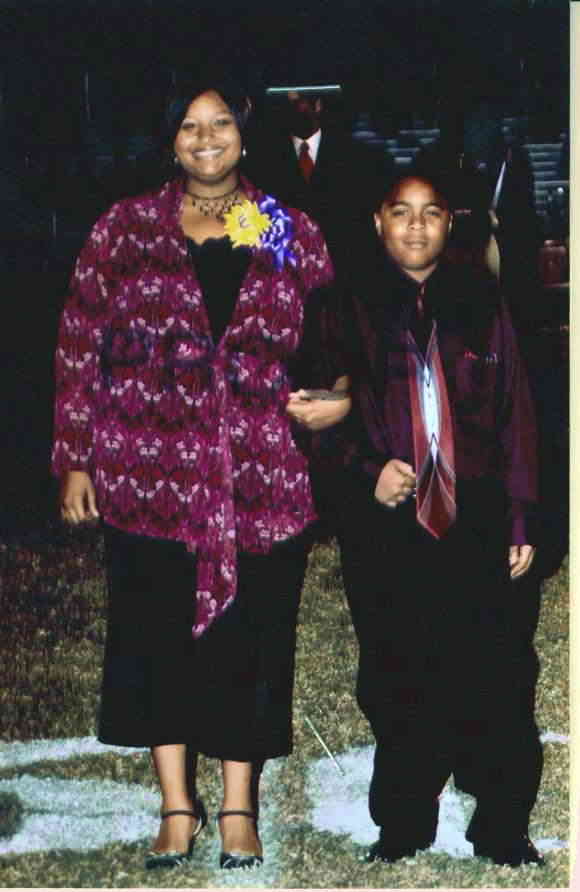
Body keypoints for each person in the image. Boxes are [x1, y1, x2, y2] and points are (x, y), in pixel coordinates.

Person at [52, 73, 350, 871]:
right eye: (190, 125)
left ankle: (238, 806)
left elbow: (332, 326)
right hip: (147, 472)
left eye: (221, 123)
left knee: (252, 636)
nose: (207, 139)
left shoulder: (276, 225)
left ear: (245, 135)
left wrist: (341, 395)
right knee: (154, 634)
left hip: (259, 470)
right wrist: (74, 458)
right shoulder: (125, 229)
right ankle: (176, 806)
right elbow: (79, 343)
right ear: (170, 140)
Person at [314, 167, 544, 868]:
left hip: (475, 514)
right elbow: (317, 411)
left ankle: (501, 823)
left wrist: (521, 516)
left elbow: (517, 410)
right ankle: (405, 820)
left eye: (431, 212)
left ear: (450, 223)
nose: (416, 226)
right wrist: (366, 471)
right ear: (377, 222)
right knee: (396, 668)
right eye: (401, 211)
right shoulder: (342, 306)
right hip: (388, 519)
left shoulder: (484, 301)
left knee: (498, 668)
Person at [243, 87, 390, 281]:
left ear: (317, 105)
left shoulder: (356, 157)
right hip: (287, 276)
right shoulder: (264, 162)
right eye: (286, 103)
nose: (291, 109)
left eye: (297, 102)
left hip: (345, 274)